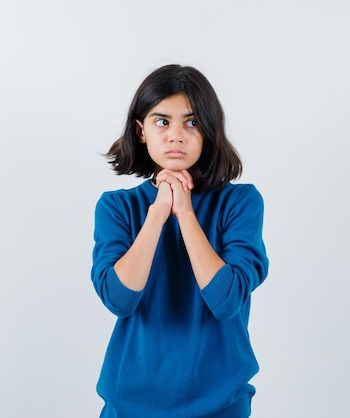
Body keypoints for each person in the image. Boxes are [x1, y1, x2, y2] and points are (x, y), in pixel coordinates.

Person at [90, 64, 269, 418]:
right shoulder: (117, 207)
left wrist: (186, 214)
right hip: (130, 402)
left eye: (191, 122)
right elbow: (120, 299)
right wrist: (158, 212)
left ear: (209, 131)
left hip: (221, 403)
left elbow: (226, 300)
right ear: (141, 131)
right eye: (162, 121)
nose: (176, 135)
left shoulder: (240, 203)